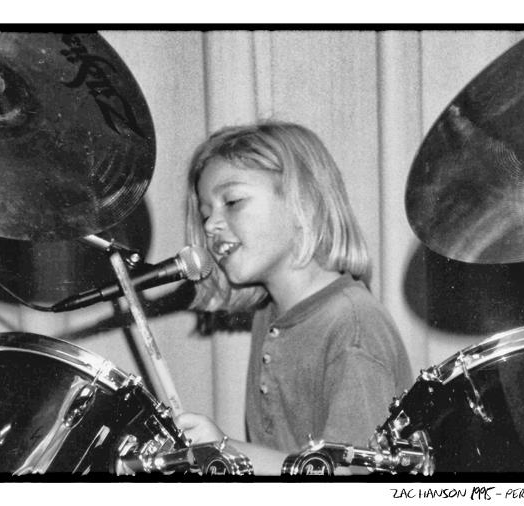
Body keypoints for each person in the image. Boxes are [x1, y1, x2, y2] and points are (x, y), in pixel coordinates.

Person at [175, 121, 413, 475]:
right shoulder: (270, 315)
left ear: (305, 203)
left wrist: (225, 450)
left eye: (233, 201)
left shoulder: (353, 323)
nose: (210, 226)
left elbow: (350, 477)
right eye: (207, 213)